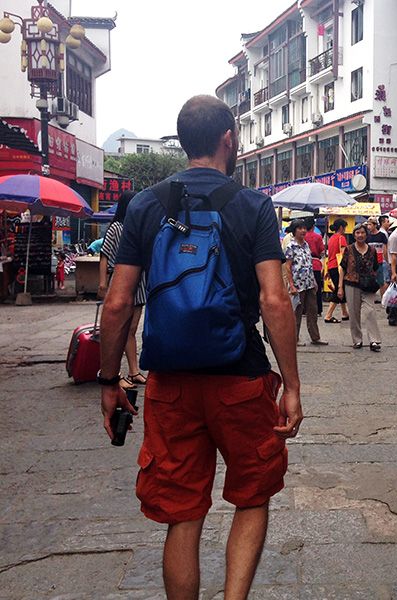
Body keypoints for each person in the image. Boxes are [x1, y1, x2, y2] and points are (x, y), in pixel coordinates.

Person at [98, 95, 302, 600]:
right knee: (252, 497)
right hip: (242, 377)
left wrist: (109, 380)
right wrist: (293, 385)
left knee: (183, 515)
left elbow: (118, 303)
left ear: (183, 141)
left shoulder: (145, 205)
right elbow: (275, 300)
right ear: (228, 140)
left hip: (171, 385)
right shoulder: (253, 206)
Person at [98, 190, 148, 391]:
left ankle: (133, 371)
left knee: (132, 329)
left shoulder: (136, 227)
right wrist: (102, 283)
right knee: (122, 329)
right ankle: (117, 373)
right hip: (123, 282)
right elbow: (104, 255)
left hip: (140, 284)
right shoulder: (117, 227)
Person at [338, 224, 382, 351]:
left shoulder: (372, 250)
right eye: (357, 233)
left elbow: (375, 268)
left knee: (370, 311)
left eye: (362, 232)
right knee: (353, 313)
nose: (360, 235)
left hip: (368, 285)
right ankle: (357, 339)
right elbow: (343, 268)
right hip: (351, 283)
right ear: (354, 235)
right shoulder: (349, 249)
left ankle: (374, 340)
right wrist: (340, 287)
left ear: (366, 234)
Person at [285, 219, 327, 347]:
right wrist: (291, 285)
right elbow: (288, 267)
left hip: (309, 283)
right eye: (300, 228)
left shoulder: (306, 245)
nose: (303, 231)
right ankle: (294, 338)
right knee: (297, 313)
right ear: (294, 231)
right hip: (298, 285)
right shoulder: (290, 246)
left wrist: (314, 281)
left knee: (313, 311)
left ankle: (315, 337)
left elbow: (308, 264)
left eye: (304, 228)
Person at [323, 219, 350, 323]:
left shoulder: (331, 238)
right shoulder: (341, 238)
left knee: (340, 289)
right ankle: (328, 315)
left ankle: (344, 313)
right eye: (345, 227)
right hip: (339, 267)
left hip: (331, 265)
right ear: (341, 227)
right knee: (339, 290)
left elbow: (329, 254)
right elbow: (344, 255)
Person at [304, 217, 325, 315]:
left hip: (304, 264)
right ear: (313, 226)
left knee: (305, 287)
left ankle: (304, 309)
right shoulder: (318, 237)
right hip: (315, 264)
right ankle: (318, 310)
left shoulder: (302, 236)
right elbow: (322, 251)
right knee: (317, 288)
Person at [364, 216, 388, 294]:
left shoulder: (382, 235)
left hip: (380, 262)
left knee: (381, 282)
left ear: (375, 225)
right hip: (370, 262)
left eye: (370, 224)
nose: (368, 227)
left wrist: (387, 261)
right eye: (368, 225)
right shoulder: (367, 237)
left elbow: (385, 249)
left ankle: (383, 300)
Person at [378, 214, 392, 296]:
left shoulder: (383, 232)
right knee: (386, 280)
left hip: (382, 260)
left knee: (383, 280)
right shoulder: (383, 233)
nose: (389, 223)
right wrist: (387, 260)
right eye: (387, 222)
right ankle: (385, 297)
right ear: (382, 222)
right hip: (384, 260)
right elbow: (385, 249)